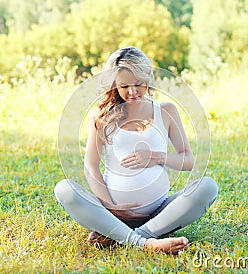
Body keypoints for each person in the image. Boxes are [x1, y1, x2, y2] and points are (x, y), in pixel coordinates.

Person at [54, 47, 218, 254]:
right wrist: (111, 207)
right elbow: (91, 167)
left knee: (208, 187)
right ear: (114, 85)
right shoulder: (102, 115)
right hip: (112, 211)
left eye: (139, 84)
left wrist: (156, 157)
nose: (132, 92)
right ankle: (144, 242)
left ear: (148, 79)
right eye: (124, 86)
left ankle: (123, 235)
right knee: (64, 189)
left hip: (159, 212)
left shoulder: (166, 111)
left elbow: (188, 161)